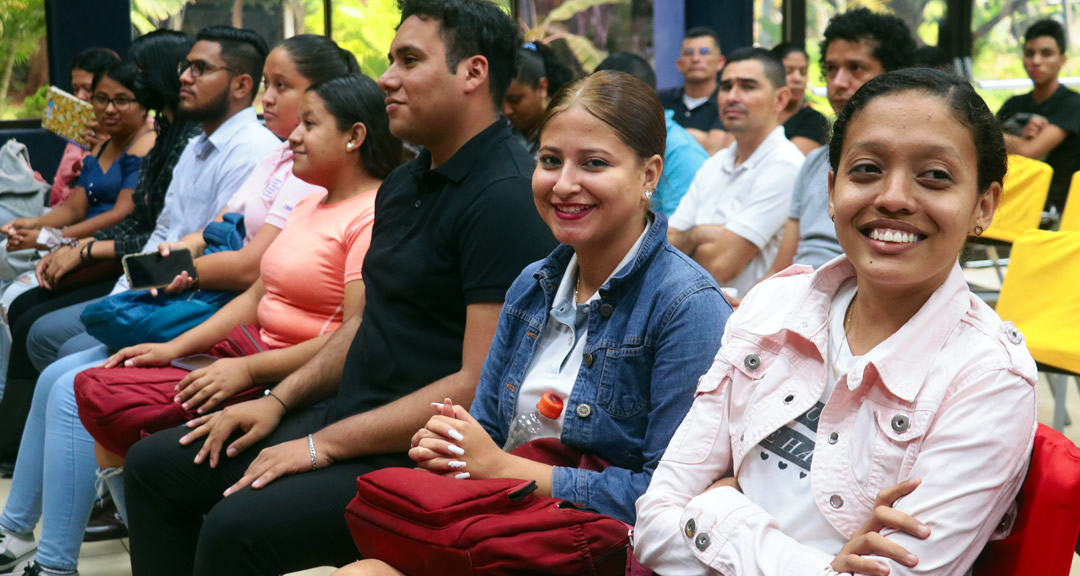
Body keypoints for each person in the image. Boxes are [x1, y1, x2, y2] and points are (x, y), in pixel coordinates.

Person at [123, 1, 556, 574]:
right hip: (351, 414)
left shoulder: (504, 195)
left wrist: (320, 445)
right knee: (156, 465)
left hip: (418, 450)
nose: (387, 79)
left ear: (473, 73)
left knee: (236, 529)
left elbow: (477, 386)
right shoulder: (406, 182)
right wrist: (276, 403)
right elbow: (362, 325)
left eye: (409, 60)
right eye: (390, 59)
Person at [634, 68, 1036, 576]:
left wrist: (718, 511)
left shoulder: (987, 379)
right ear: (830, 189)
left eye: (934, 175)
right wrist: (823, 567)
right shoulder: (773, 308)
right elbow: (653, 520)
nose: (893, 197)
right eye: (866, 169)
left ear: (984, 205)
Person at [332, 69, 731, 576]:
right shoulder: (531, 285)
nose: (564, 185)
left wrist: (503, 468)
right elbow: (490, 431)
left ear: (649, 175)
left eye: (594, 163)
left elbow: (669, 497)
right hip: (504, 531)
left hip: (592, 550)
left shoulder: (685, 305)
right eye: (549, 161)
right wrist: (450, 445)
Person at [0, 38, 371, 572]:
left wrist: (150, 276)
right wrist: (161, 310)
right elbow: (213, 245)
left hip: (252, 344)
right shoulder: (284, 171)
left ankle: (54, 557)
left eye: (282, 89)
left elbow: (251, 273)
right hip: (227, 323)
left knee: (73, 381)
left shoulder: (316, 184)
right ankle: (28, 536)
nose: (183, 79)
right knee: (72, 372)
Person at [73, 70, 399, 525]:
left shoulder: (371, 217)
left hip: (291, 377)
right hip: (246, 352)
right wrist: (173, 348)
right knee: (97, 386)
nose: (293, 138)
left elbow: (352, 335)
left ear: (354, 136)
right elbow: (255, 296)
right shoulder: (309, 203)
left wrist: (245, 370)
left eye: (310, 124)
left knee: (135, 433)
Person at [0, 25, 278, 484]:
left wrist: (97, 258)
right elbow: (168, 231)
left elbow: (230, 254)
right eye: (184, 67)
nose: (184, 76)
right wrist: (129, 283)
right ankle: (21, 527)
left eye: (198, 68)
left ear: (241, 84)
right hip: (163, 277)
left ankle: (83, 498)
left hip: (198, 294)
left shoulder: (256, 149)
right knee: (43, 335)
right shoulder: (190, 141)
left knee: (63, 359)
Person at [763, 9, 916, 280]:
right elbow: (781, 269)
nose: (838, 83)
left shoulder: (911, 167)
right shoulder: (814, 162)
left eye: (856, 68)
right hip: (797, 297)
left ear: (893, 76)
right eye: (831, 69)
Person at [667, 47, 804, 297]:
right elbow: (665, 247)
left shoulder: (785, 165)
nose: (732, 96)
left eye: (748, 87)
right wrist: (699, 234)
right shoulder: (715, 163)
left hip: (746, 320)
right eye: (726, 86)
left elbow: (720, 266)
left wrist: (687, 241)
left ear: (781, 99)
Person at [3, 61, 155, 254]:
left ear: (144, 105)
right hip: (77, 240)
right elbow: (74, 209)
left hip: (108, 248)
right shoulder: (101, 147)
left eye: (122, 100)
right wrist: (31, 224)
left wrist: (52, 238)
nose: (109, 109)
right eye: (101, 99)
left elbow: (121, 214)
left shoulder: (146, 143)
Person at [595, 51, 707, 217]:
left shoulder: (681, 152)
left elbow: (679, 234)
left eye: (603, 104)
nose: (596, 114)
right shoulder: (613, 141)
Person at [997, 19, 1080, 215]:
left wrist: (996, 138)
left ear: (1062, 60)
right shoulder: (1013, 104)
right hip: (1008, 203)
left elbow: (1029, 150)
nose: (1036, 61)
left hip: (1053, 211)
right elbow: (985, 149)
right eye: (1029, 53)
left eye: (1046, 53)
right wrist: (1017, 136)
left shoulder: (1073, 104)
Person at [45, 48, 120, 212]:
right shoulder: (80, 129)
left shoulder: (126, 134)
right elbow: (58, 195)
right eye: (75, 89)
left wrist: (104, 155)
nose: (80, 97)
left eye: (88, 89)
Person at [657, 27, 732, 155]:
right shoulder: (660, 99)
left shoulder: (728, 101)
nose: (696, 59)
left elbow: (712, 149)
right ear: (679, 64)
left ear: (720, 62)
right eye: (688, 53)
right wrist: (701, 137)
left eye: (704, 52)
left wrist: (668, 134)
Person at [502, 41, 572, 157]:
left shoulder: (568, 128)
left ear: (541, 87)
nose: (506, 110)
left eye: (515, 99)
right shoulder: (506, 131)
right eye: (500, 101)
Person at [771, 43, 829, 156]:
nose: (797, 79)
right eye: (788, 71)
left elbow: (788, 163)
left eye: (803, 72)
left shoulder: (814, 120)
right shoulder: (759, 116)